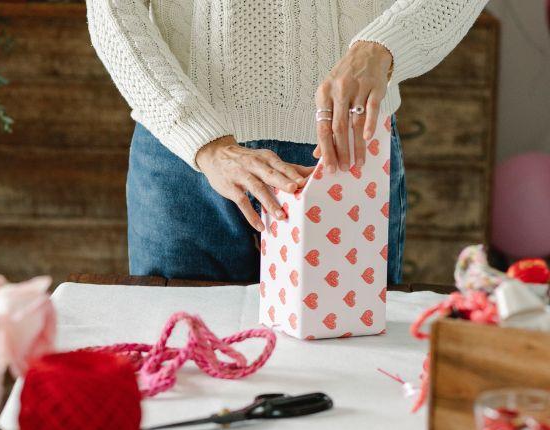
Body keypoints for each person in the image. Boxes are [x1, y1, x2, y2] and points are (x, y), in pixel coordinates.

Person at [86, 0, 488, 283]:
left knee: (347, 376)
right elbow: (111, 9)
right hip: (184, 160)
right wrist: (203, 142)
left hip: (340, 152)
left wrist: (383, 46)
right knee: (182, 376)